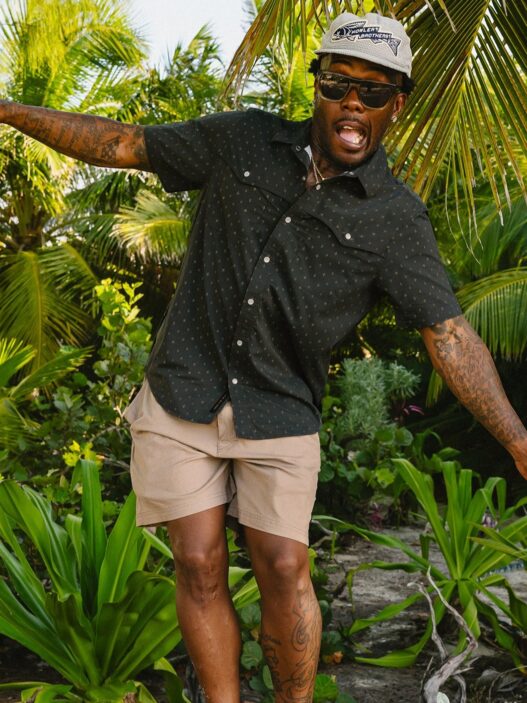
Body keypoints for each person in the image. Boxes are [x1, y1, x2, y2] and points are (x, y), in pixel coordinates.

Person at [1, 11, 526, 703]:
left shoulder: (395, 219)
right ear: (316, 84)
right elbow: (125, 142)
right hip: (183, 385)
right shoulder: (242, 138)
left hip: (281, 404)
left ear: (396, 105)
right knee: (197, 561)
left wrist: (517, 441)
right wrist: (7, 109)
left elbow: (449, 335)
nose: (353, 103)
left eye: (374, 92)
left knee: (282, 565)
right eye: (338, 83)